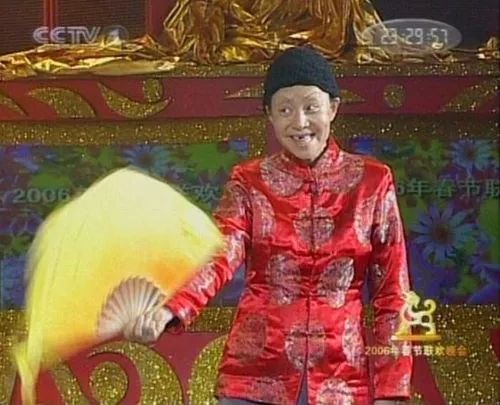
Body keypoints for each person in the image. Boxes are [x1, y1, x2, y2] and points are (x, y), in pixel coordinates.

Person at [124, 47, 413, 405]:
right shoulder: (249, 182)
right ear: (270, 116)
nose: (300, 122)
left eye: (311, 107)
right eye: (285, 110)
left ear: (333, 108)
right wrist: (170, 309)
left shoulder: (372, 181)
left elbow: (392, 293)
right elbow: (219, 255)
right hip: (253, 379)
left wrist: (391, 389)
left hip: (341, 380)